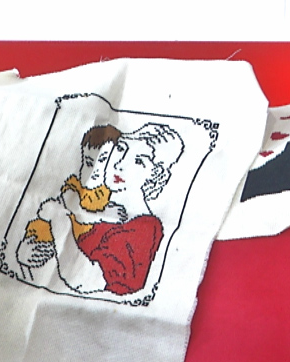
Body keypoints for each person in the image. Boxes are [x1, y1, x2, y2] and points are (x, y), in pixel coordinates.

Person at [22, 122, 183, 299]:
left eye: (138, 161)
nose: (120, 164)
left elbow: (85, 280)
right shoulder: (94, 200)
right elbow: (31, 252)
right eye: (121, 149)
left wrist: (57, 218)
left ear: (155, 174)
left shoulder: (145, 228)